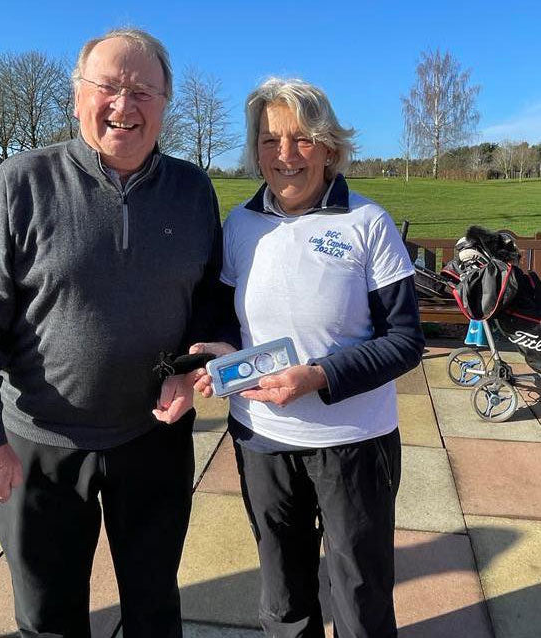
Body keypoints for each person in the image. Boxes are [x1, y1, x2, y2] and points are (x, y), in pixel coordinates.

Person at [0, 28, 223, 638]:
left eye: (143, 90)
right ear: (77, 97)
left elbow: (208, 301)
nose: (125, 105)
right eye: (108, 87)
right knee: (48, 617)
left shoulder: (193, 190)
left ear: (166, 103)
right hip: (38, 445)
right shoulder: (22, 183)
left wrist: (186, 366)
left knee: (154, 608)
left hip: (153, 441)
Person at [191, 78, 425, 638]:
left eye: (300, 140)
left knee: (360, 598)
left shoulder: (367, 222)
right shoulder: (241, 225)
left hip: (354, 443)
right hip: (263, 439)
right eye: (269, 141)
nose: (285, 155)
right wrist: (222, 347)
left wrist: (319, 376)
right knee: (284, 599)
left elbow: (405, 339)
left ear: (327, 146)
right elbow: (225, 315)